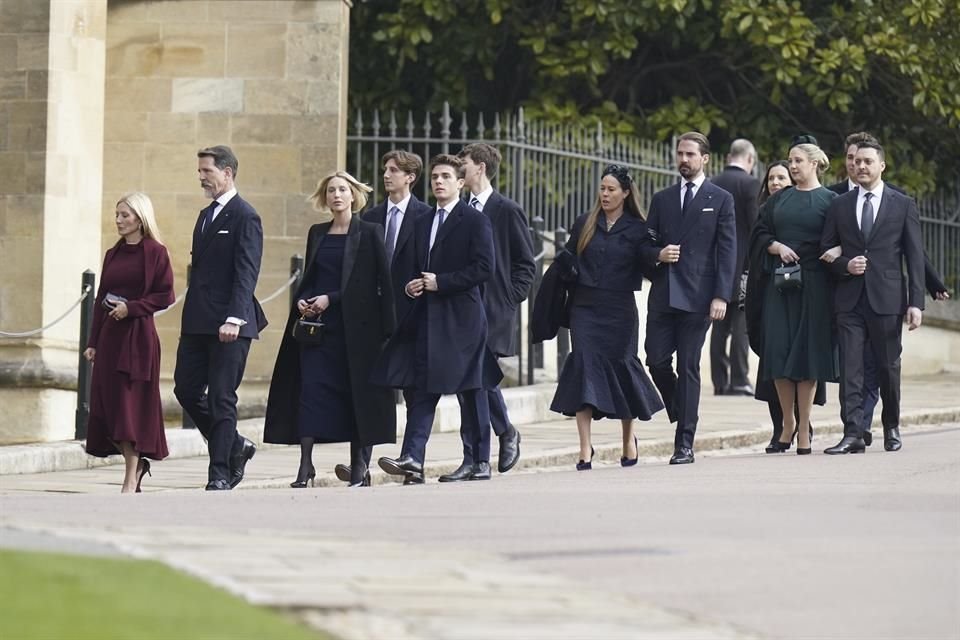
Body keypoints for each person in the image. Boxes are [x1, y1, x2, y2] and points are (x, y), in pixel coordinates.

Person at [263, 171, 396, 487]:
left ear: (353, 196)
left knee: (355, 396)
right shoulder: (317, 233)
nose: (337, 195)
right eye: (331, 190)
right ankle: (304, 466)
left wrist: (332, 299)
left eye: (342, 190)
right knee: (310, 393)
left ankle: (358, 468)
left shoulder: (370, 232)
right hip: (317, 331)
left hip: (356, 332)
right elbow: (311, 276)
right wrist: (303, 301)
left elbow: (380, 285)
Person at [374, 154, 499, 483]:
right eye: (435, 177)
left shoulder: (474, 221)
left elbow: (484, 268)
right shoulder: (423, 221)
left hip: (463, 320)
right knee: (423, 387)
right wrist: (416, 283)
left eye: (445, 176)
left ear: (460, 183)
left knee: (471, 391)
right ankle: (413, 457)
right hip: (428, 318)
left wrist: (441, 282)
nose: (439, 182)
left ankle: (478, 460)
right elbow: (418, 265)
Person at [823, 132, 950, 446]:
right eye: (857, 161)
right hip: (850, 300)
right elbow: (825, 250)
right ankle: (852, 432)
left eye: (868, 161)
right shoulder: (839, 205)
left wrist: (916, 303)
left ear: (882, 165)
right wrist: (845, 265)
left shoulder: (902, 204)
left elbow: (914, 255)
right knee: (851, 369)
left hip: (888, 300)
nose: (861, 166)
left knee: (887, 366)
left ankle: (891, 425)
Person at [550, 165, 664, 469]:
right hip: (585, 308)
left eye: (611, 189)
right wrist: (567, 266)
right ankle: (585, 448)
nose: (605, 194)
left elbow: (648, 264)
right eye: (602, 188)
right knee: (584, 367)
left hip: (620, 309)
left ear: (626, 193)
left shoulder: (639, 228)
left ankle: (628, 439)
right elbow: (569, 257)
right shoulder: (584, 223)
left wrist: (659, 255)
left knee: (622, 368)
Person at [330, 150, 432, 485]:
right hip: (370, 319)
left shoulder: (426, 217)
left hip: (411, 315)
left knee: (415, 391)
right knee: (368, 388)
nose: (386, 175)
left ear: (410, 177)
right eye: (385, 169)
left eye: (393, 170)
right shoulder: (370, 218)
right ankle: (361, 465)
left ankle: (411, 461)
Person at [642, 132, 737, 465]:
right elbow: (644, 246)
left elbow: (727, 252)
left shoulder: (721, 198)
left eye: (690, 154)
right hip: (665, 294)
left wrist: (721, 296)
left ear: (705, 158)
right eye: (679, 153)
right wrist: (658, 254)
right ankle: (681, 410)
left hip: (699, 298)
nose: (683, 159)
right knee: (655, 360)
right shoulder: (662, 198)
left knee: (688, 366)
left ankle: (684, 442)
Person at [174, 145, 265, 491]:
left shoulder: (246, 216)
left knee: (221, 397)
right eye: (200, 172)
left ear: (227, 173)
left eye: (206, 172)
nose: (201, 178)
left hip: (231, 324)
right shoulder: (204, 215)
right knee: (185, 389)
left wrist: (235, 318)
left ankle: (220, 473)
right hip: (197, 322)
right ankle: (236, 445)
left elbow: (246, 272)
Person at [449, 142, 535, 477]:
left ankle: (479, 454)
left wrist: (508, 300)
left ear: (480, 167)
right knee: (467, 382)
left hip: (493, 310)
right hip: (461, 310)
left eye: (464, 164)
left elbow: (526, 265)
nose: (460, 170)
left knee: (478, 378)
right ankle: (500, 435)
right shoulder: (458, 208)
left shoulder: (506, 209)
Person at [750, 136, 838, 455]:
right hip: (780, 284)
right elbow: (759, 233)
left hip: (814, 286)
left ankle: (804, 428)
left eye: (798, 160)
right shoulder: (777, 201)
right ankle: (786, 423)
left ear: (814, 163)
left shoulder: (831, 200)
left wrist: (838, 251)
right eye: (790, 160)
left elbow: (844, 237)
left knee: (807, 356)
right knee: (778, 351)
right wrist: (775, 246)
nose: (792, 165)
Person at [84, 193, 175, 493]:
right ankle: (138, 466)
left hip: (138, 341)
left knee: (128, 409)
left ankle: (129, 477)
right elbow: (99, 300)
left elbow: (165, 296)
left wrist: (132, 308)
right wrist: (93, 341)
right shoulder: (113, 253)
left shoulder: (156, 252)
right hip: (111, 339)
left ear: (140, 218)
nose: (119, 220)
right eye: (117, 214)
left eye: (124, 215)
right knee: (107, 407)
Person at [709, 139, 760, 397]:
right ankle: (739, 380)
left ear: (730, 156)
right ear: (750, 159)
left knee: (718, 325)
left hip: (716, 265)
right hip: (743, 266)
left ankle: (719, 381)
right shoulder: (750, 184)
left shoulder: (712, 182)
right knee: (741, 324)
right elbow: (754, 226)